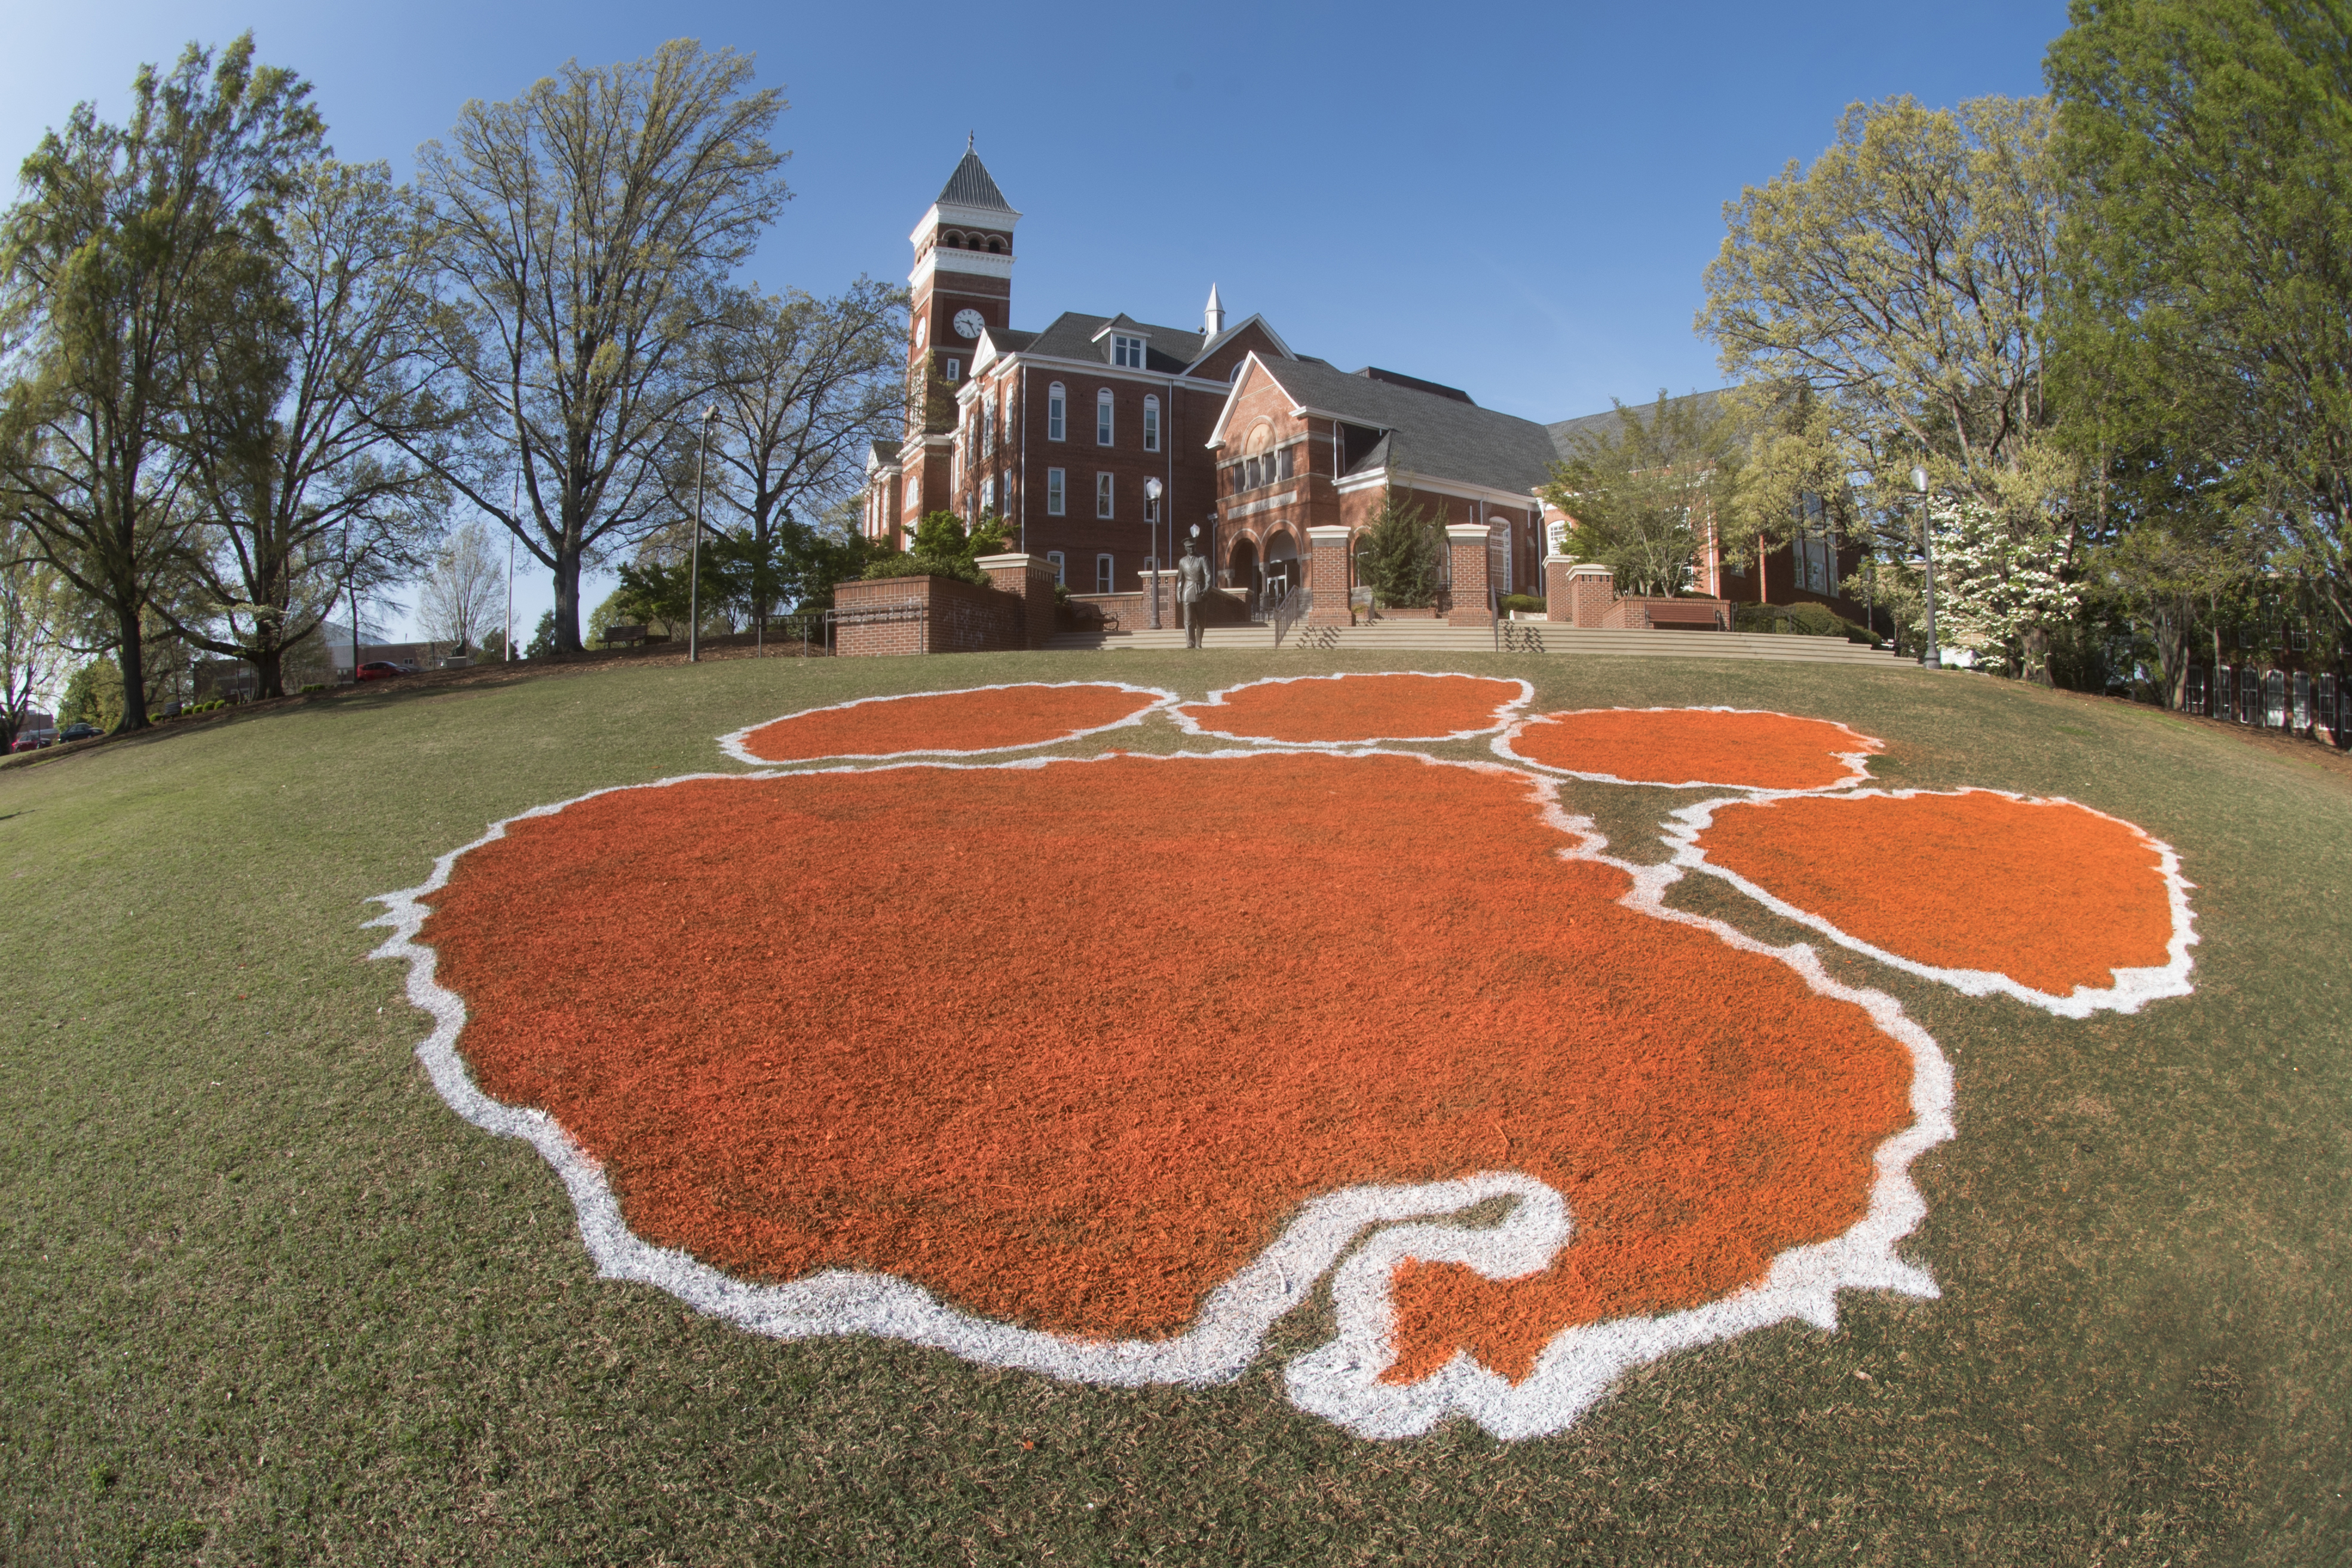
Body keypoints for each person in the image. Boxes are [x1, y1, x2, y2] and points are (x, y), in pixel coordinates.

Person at [1176, 534, 1212, 648]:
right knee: (1188, 620)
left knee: (1201, 620)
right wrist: (1179, 592)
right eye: (1189, 547)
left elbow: (1208, 575)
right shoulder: (1182, 562)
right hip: (1187, 592)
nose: (1192, 549)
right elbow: (1180, 579)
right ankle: (1190, 643)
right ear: (1185, 548)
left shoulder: (1202, 559)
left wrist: (1207, 588)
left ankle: (1198, 644)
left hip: (1200, 591)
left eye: (1193, 546)